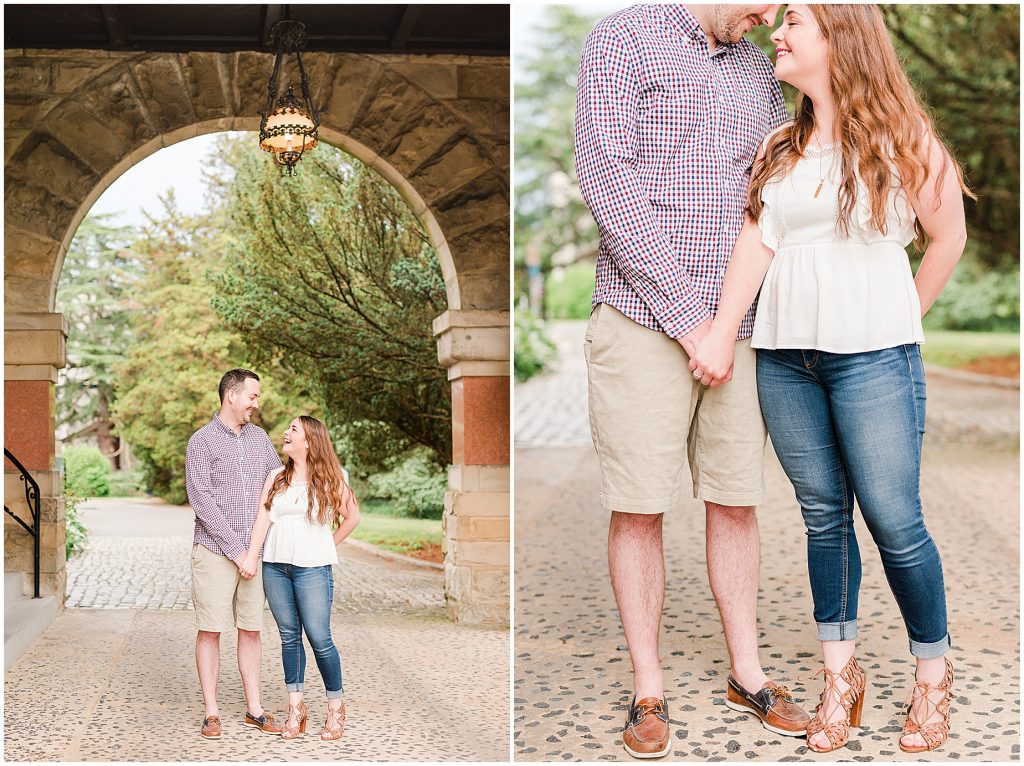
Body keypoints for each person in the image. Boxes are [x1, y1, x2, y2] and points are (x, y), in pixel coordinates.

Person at [688, 4, 972, 754]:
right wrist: (722, 329)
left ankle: (932, 677)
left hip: (876, 359)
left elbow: (949, 237)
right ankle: (839, 678)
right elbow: (757, 242)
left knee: (894, 522)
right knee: (823, 518)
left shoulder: (902, 138)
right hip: (787, 361)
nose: (776, 34)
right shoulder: (782, 145)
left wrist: (898, 316)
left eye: (794, 24)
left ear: (839, 39)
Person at [574, 4, 811, 758]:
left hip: (739, 328)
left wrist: (729, 321)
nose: (768, 16)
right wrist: (689, 323)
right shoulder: (623, 36)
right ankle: (648, 688)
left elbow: (769, 194)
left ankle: (748, 673)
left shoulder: (753, 68)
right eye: (763, 1)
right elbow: (608, 181)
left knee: (737, 500)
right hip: (645, 321)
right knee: (640, 508)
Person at [241, 415, 361, 741]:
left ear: (309, 440)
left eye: (293, 429)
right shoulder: (276, 476)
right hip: (276, 567)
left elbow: (352, 517)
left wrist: (327, 545)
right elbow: (262, 520)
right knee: (289, 637)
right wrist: (252, 556)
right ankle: (296, 707)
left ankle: (335, 707)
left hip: (313, 568)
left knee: (320, 638)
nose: (286, 433)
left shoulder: (332, 477)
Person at [185, 368, 284, 739]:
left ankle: (254, 709)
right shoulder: (202, 441)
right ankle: (211, 712)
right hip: (214, 551)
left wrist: (252, 551)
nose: (256, 404)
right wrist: (237, 551)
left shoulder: (260, 440)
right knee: (211, 630)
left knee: (252, 629)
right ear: (232, 396)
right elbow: (202, 501)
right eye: (253, 397)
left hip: (254, 553)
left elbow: (277, 486)